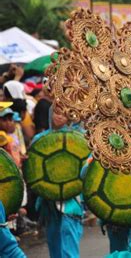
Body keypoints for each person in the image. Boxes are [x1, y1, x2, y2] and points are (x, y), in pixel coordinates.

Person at [34, 108, 84, 258]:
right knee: (54, 241)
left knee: (69, 234)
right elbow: (34, 169)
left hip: (72, 197)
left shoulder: (78, 138)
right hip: (48, 198)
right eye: (56, 112)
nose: (59, 116)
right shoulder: (39, 139)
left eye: (63, 112)